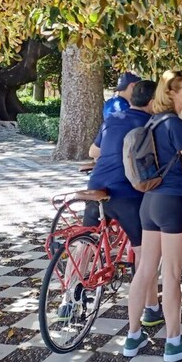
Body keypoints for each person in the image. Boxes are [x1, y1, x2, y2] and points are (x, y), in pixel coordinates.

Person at [124, 71, 182, 361]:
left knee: (145, 269)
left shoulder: (153, 121)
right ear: (171, 93)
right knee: (171, 273)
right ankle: (173, 341)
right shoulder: (175, 123)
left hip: (149, 201)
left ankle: (132, 338)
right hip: (172, 202)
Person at [73, 81, 161, 325]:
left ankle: (69, 298)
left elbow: (94, 152)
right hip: (128, 193)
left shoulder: (113, 118)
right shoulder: (151, 123)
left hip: (97, 185)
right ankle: (151, 308)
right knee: (147, 254)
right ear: (153, 102)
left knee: (84, 244)